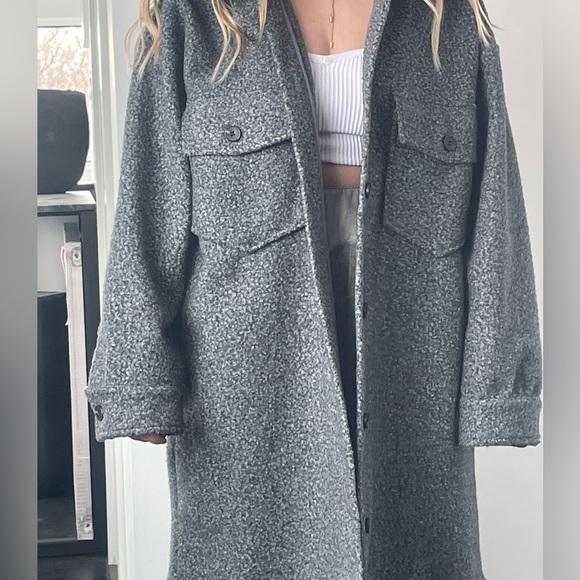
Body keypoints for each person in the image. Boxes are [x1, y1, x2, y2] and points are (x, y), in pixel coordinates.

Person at [86, 0, 543, 578]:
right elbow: (148, 202)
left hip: (411, 354)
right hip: (248, 366)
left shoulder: (447, 19)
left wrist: (500, 389)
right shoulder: (194, 16)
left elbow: (495, 206)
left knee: (410, 552)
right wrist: (138, 379)